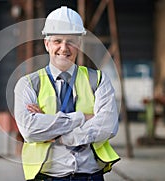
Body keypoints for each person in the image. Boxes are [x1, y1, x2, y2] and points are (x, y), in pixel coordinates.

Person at [14, 6, 120, 181]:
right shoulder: (28, 84)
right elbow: (29, 130)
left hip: (90, 176)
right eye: (57, 41)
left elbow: (107, 126)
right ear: (47, 44)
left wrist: (58, 135)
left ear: (79, 44)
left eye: (70, 41)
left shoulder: (99, 80)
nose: (64, 48)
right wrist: (82, 118)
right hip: (48, 176)